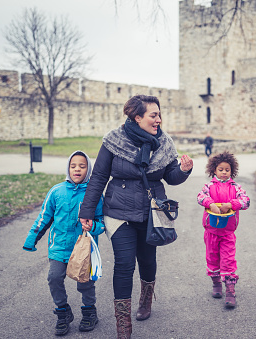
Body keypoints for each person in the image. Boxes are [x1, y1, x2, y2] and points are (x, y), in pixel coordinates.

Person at [78, 95, 193, 339]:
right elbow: (99, 176)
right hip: (119, 213)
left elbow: (170, 175)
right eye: (153, 115)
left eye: (159, 115)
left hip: (152, 213)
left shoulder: (164, 143)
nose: (158, 120)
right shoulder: (114, 140)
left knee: (148, 261)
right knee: (124, 264)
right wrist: (87, 211)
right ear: (137, 117)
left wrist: (183, 170)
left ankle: (146, 300)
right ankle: (123, 324)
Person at [23, 150, 105, 336]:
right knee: (54, 278)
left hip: (84, 249)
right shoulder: (56, 191)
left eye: (82, 166)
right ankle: (63, 312)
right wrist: (31, 239)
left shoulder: (94, 194)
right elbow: (44, 217)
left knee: (85, 283)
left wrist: (93, 226)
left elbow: (102, 223)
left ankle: (90, 312)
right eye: (73, 166)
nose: (77, 169)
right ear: (68, 168)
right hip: (59, 247)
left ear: (88, 169)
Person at [197, 151, 250, 308]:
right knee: (212, 259)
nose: (224, 172)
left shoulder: (236, 187)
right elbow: (200, 197)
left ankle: (230, 291)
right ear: (214, 170)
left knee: (228, 261)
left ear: (232, 171)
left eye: (227, 170)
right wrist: (210, 203)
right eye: (221, 169)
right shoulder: (208, 186)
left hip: (227, 233)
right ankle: (216, 284)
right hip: (211, 232)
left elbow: (246, 201)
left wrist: (232, 204)